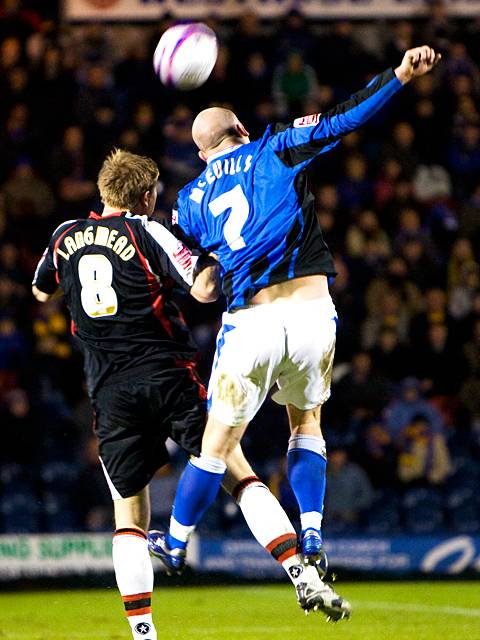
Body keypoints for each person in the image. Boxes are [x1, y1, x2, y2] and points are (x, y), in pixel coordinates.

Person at [150, 45, 440, 619]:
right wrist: (400, 76)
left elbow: (199, 282)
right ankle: (311, 533)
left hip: (249, 322)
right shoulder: (274, 147)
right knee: (306, 423)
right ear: (241, 129)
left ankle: (177, 541)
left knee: (218, 446)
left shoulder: (189, 203)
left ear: (201, 151)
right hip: (311, 314)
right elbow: (345, 117)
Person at [32, 149, 326, 639]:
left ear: (103, 191)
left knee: (128, 515)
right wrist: (217, 254)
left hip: (109, 390)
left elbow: (43, 290)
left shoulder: (64, 236)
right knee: (236, 470)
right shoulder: (146, 230)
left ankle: (143, 635)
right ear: (147, 197)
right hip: (168, 376)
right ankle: (301, 571)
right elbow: (204, 289)